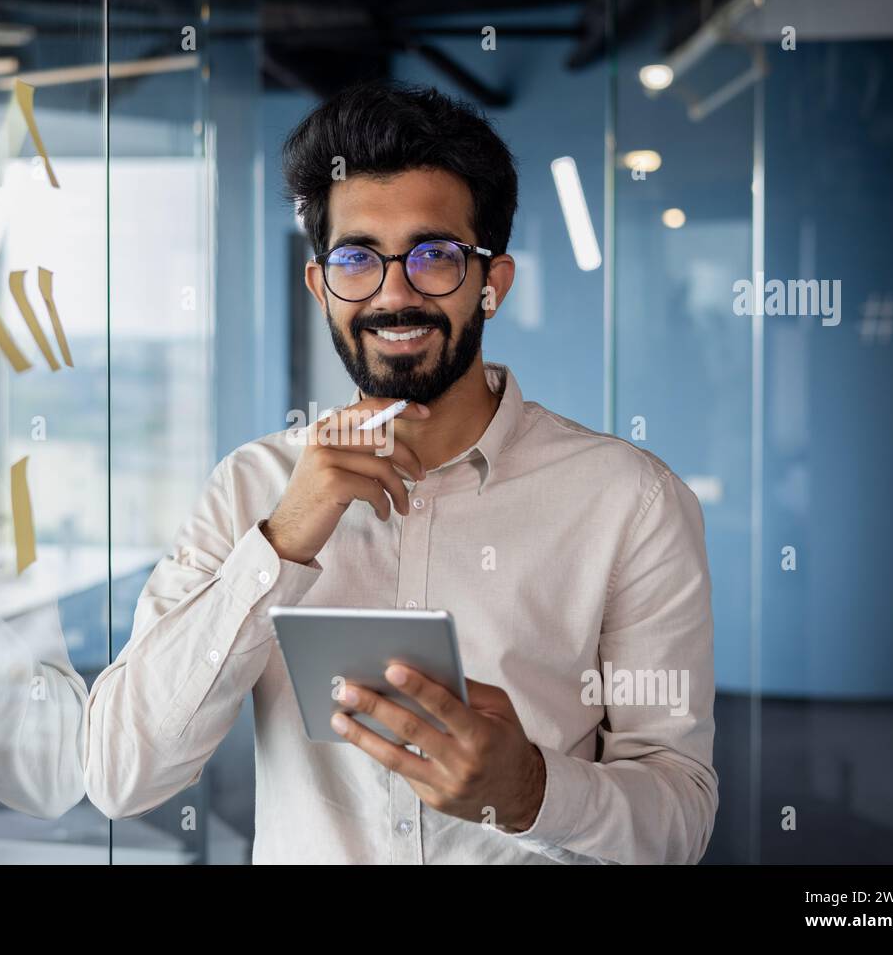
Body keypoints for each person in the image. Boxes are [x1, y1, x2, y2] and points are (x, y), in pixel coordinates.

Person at [84, 81, 718, 864]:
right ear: (321, 286)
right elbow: (120, 774)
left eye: (435, 255)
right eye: (356, 258)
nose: (394, 292)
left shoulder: (631, 501)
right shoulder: (252, 488)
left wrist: (534, 791)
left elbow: (681, 814)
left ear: (493, 283)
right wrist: (281, 544)